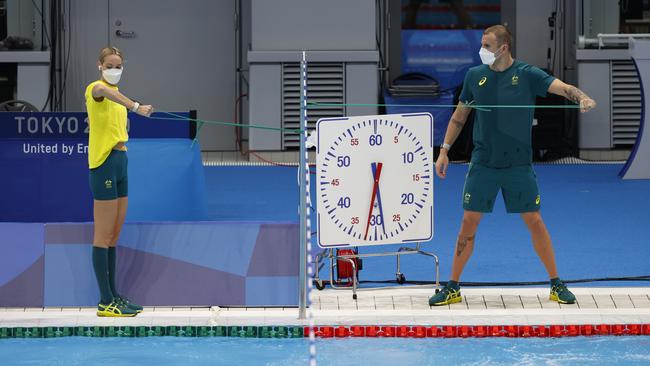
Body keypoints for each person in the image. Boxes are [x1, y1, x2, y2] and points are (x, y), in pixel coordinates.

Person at [429, 25, 596, 306]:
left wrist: (582, 98)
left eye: (487, 46)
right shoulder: (475, 76)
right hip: (483, 163)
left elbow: (563, 88)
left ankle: (556, 283)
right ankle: (453, 286)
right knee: (468, 223)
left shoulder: (527, 75)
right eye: (481, 44)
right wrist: (444, 150)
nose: (482, 51)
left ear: (503, 48)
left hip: (518, 164)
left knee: (534, 221)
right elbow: (459, 117)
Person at [86, 46, 153, 316]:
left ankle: (114, 296)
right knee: (102, 235)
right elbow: (106, 93)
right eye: (110, 66)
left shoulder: (118, 97)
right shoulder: (96, 88)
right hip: (102, 164)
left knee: (114, 235)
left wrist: (132, 107)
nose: (115, 70)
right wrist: (135, 106)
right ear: (100, 66)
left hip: (121, 160)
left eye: (119, 66)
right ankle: (104, 301)